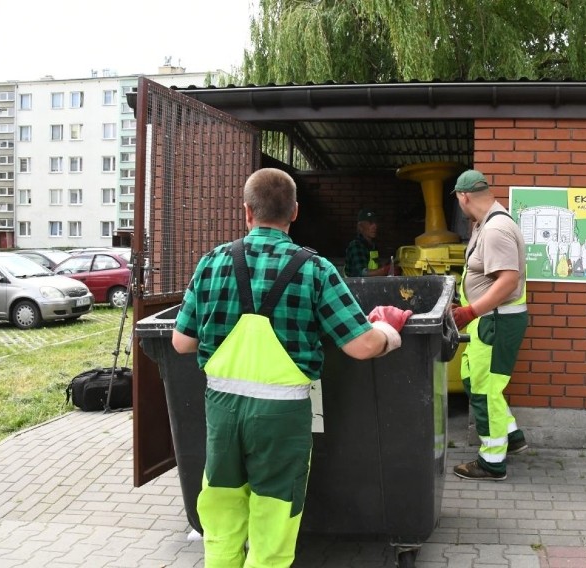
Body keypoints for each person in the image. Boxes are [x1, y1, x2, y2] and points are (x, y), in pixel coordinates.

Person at [171, 168, 412, 568]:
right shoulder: (315, 270)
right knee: (274, 514)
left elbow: (181, 342)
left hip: (222, 411)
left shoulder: (212, 262)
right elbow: (361, 346)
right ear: (295, 212)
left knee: (222, 508)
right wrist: (390, 330)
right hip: (282, 416)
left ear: (247, 212)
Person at [450, 169, 529, 482]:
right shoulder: (487, 224)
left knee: (484, 391)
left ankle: (492, 462)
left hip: (494, 321)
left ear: (464, 196)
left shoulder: (496, 228)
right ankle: (512, 435)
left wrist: (471, 310)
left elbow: (508, 280)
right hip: (488, 320)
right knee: (476, 382)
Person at [343, 208, 397, 277]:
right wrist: (385, 270)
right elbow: (363, 273)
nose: (375, 226)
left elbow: (375, 268)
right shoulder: (356, 245)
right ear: (360, 226)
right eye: (370, 223)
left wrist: (388, 266)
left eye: (375, 223)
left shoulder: (372, 245)